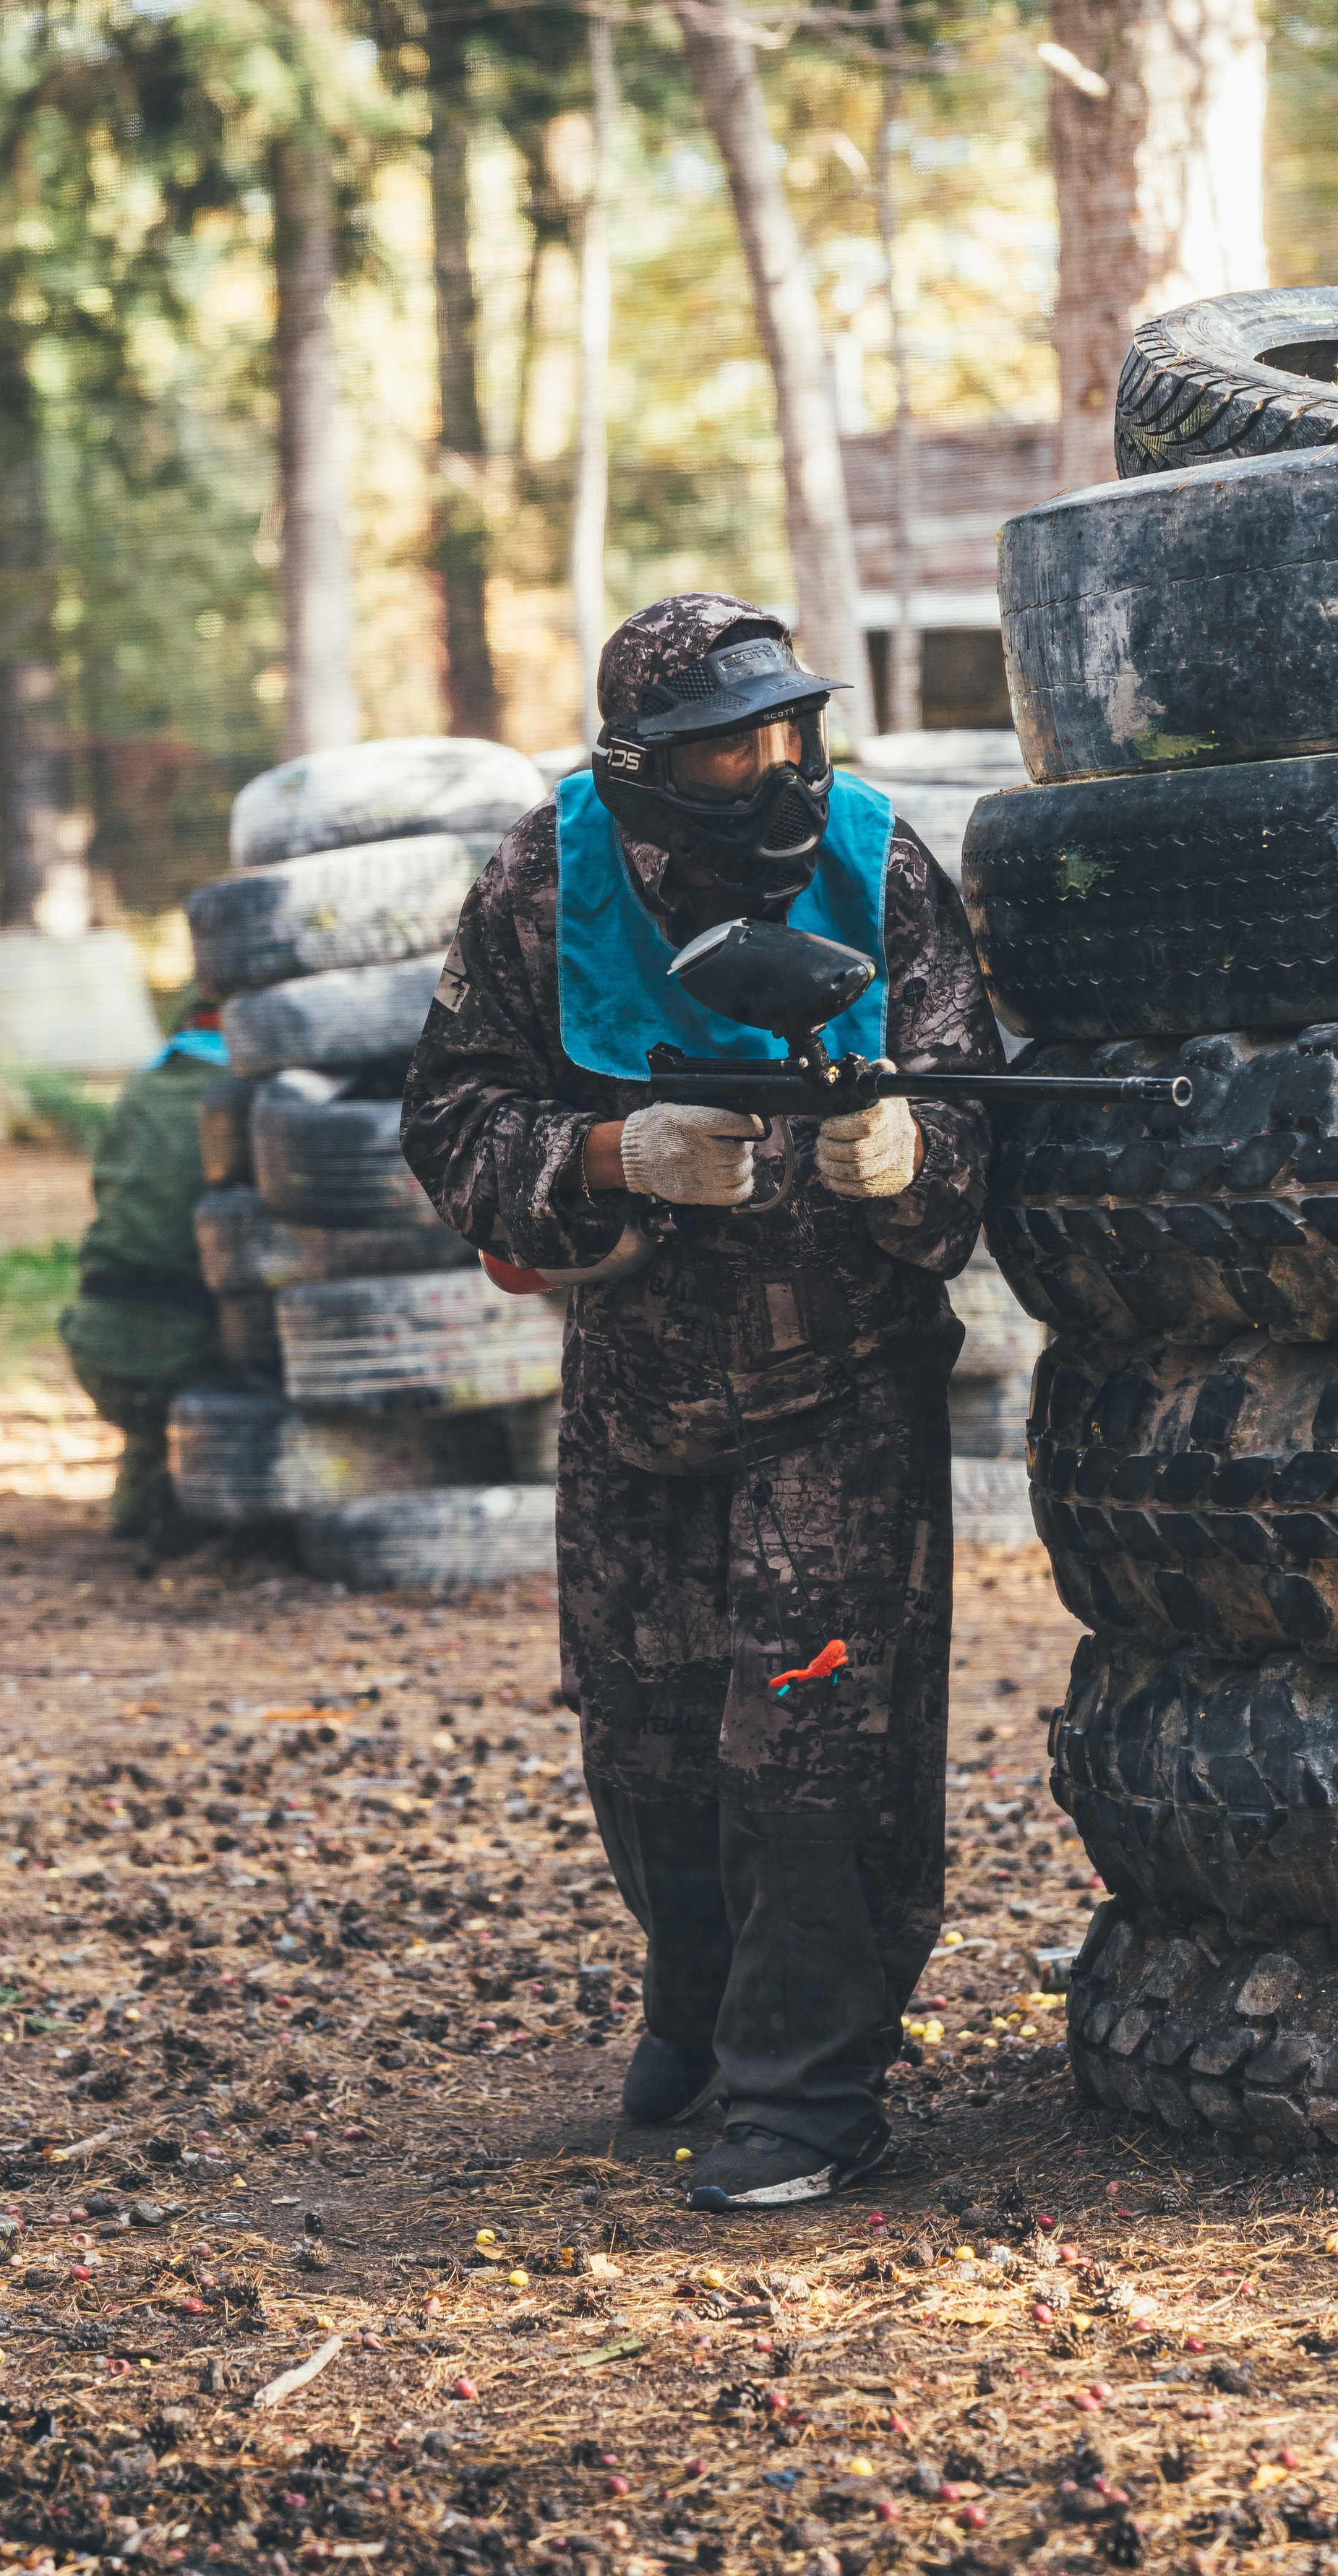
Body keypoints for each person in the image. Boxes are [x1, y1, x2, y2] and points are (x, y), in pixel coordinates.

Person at [400, 593, 1000, 2209]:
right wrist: (601, 1155)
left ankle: (806, 2095)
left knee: (811, 1742)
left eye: (792, 728)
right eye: (736, 744)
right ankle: (703, 2006)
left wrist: (903, 1160)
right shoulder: (544, 878)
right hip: (635, 1385)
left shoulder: (880, 866)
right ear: (646, 768)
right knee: (650, 1734)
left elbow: (977, 1126)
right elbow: (451, 1115)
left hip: (840, 1388)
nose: (779, 765)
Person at [59, 990, 233, 1541]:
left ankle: (140, 1503)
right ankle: (219, 1514)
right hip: (189, 1355)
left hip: (94, 1341)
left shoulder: (139, 1089)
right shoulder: (251, 1097)